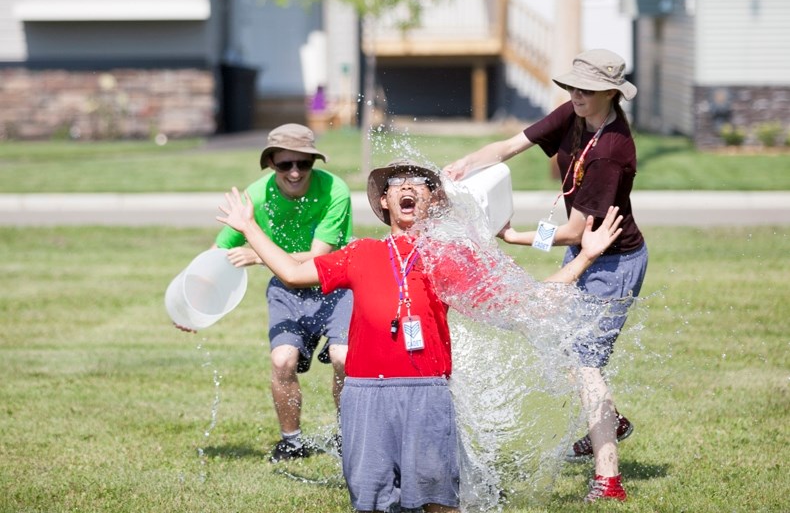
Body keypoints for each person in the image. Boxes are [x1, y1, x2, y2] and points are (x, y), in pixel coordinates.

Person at [215, 159, 624, 512]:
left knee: (439, 502)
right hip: (364, 394)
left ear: (433, 202)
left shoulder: (445, 258)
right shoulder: (360, 252)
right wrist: (249, 227)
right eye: (397, 184)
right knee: (371, 502)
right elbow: (290, 271)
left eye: (420, 184)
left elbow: (529, 306)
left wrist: (586, 255)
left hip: (426, 394)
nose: (408, 188)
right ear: (384, 202)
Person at [444, 49, 648, 502]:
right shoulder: (575, 114)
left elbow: (576, 230)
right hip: (586, 251)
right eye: (573, 85)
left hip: (613, 261)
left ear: (610, 93)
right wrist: (465, 165)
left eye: (586, 88)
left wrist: (516, 237)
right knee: (559, 340)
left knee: (583, 362)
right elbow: (507, 146)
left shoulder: (611, 152)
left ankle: (608, 480)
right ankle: (608, 423)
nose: (575, 93)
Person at [178, 123, 353, 463]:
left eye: (304, 163)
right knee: (282, 360)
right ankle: (291, 440)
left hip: (335, 284)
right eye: (285, 164)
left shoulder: (335, 190)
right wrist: (192, 305)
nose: (295, 172)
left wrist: (259, 255)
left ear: (314, 163)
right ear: (271, 163)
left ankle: (350, 435)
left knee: (343, 359)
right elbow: (218, 254)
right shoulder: (255, 196)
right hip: (286, 290)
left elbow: (320, 258)